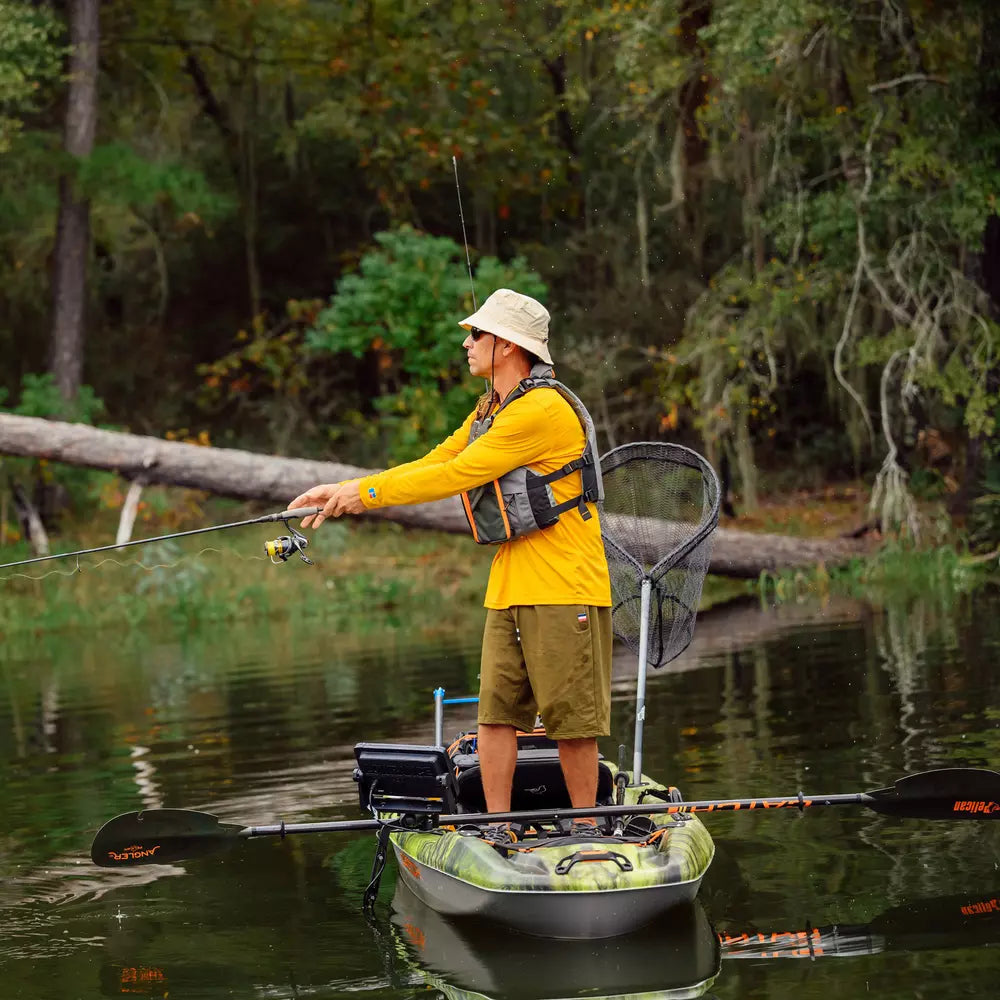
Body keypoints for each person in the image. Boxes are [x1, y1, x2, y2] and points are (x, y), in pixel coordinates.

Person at [288, 288, 612, 828]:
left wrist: (363, 497)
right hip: (510, 585)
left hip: (564, 586)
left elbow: (457, 476)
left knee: (571, 723)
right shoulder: (492, 408)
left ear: (507, 346)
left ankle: (587, 829)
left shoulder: (541, 411)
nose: (467, 342)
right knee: (494, 717)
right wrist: (349, 488)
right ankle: (495, 825)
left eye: (477, 334)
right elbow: (439, 458)